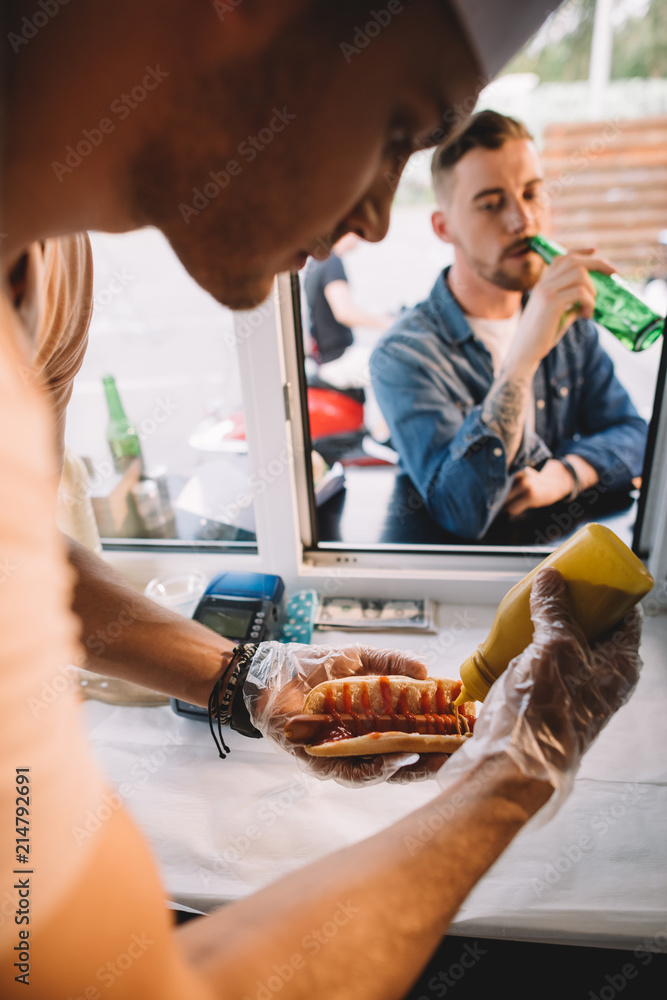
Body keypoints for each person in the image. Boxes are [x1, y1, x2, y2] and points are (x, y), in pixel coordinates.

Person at [0, 2, 642, 997]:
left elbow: (28, 560)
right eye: (397, 129)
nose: (375, 218)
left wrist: (253, 678)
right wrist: (515, 768)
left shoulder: (52, 270)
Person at [370, 110, 648, 540]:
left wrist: (565, 474)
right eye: (492, 204)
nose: (523, 221)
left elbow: (634, 432)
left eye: (532, 193)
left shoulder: (569, 322)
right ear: (444, 228)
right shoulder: (402, 356)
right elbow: (459, 511)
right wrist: (523, 357)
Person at [304, 232, 392, 442]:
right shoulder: (331, 261)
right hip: (338, 359)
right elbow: (344, 311)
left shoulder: (315, 262)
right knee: (395, 364)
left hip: (326, 358)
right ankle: (384, 438)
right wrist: (388, 323)